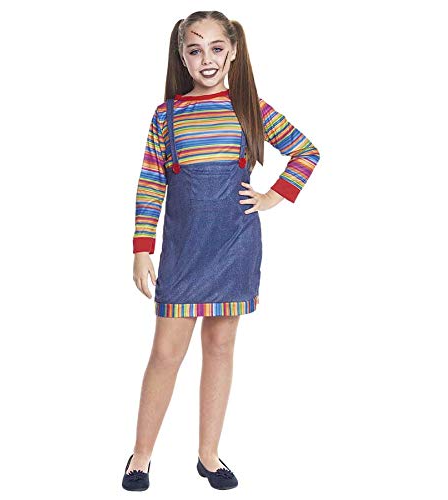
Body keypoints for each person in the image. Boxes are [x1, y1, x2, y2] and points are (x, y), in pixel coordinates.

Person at [124, 10, 320, 491]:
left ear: (232, 50)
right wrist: (142, 248)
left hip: (234, 247)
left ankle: (208, 456)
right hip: (183, 252)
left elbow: (306, 151)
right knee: (166, 353)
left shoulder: (249, 107)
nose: (206, 58)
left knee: (220, 346)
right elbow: (151, 182)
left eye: (216, 48)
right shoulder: (167, 115)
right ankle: (140, 456)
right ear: (182, 56)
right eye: (195, 49)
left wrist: (273, 196)